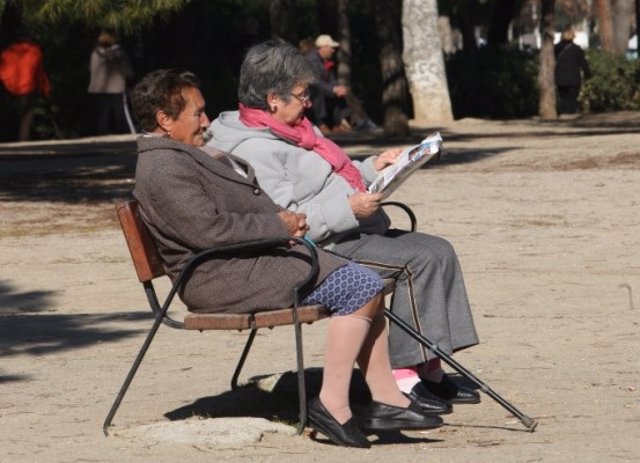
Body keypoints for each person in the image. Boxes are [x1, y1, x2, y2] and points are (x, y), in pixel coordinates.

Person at [129, 68, 443, 448]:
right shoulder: (162, 167)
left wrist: (283, 222)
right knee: (360, 285)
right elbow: (208, 231)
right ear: (164, 120)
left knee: (365, 281)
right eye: (197, 113)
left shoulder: (179, 154)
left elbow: (227, 214)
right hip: (217, 275)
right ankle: (332, 404)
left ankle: (387, 398)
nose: (206, 120)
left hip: (242, 260)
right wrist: (277, 225)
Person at [206, 40, 481, 412]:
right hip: (319, 251)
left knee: (438, 249)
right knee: (419, 259)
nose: (308, 103)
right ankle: (402, 374)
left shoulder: (293, 128)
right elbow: (289, 222)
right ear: (273, 99)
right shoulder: (255, 149)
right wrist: (349, 209)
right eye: (302, 95)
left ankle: (428, 364)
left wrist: (373, 167)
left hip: (350, 230)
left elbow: (332, 174)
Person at [0, 35, 51, 141]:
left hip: (10, 89)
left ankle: (8, 136)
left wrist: (7, 82)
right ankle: (23, 139)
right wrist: (44, 87)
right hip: (29, 88)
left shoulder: (8, 53)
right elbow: (38, 72)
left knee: (10, 115)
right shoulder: (35, 52)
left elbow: (2, 70)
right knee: (26, 116)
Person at [87, 30, 134, 135]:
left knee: (102, 115)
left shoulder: (95, 53)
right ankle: (123, 134)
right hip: (116, 88)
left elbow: (91, 69)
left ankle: (101, 134)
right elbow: (127, 70)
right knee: (119, 113)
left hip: (98, 88)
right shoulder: (119, 53)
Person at [303, 34, 351, 134]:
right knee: (319, 92)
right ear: (323, 47)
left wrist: (337, 88)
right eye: (331, 48)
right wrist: (332, 89)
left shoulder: (325, 61)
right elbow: (313, 81)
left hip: (323, 88)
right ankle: (320, 123)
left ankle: (337, 123)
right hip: (311, 90)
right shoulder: (311, 60)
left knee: (338, 93)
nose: (333, 50)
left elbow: (331, 79)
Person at [554, 26, 591, 115]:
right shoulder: (576, 49)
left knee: (563, 98)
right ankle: (569, 114)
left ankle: (563, 113)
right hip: (574, 79)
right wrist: (588, 75)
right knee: (572, 99)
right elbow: (583, 63)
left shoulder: (555, 48)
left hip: (560, 78)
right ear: (573, 36)